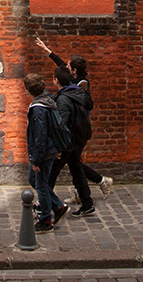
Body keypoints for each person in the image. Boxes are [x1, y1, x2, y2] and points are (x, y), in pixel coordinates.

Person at [35, 37, 113, 198]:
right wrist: (47, 50)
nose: (66, 66)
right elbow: (61, 64)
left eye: (69, 65)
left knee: (66, 165)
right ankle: (87, 193)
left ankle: (52, 201)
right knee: (74, 163)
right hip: (74, 130)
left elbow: (88, 104)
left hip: (75, 129)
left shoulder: (81, 85)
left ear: (74, 71)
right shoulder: (73, 80)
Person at [24, 72, 69, 232]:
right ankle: (58, 207)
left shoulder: (38, 108)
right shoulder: (48, 100)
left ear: (28, 89)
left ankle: (46, 220)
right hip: (51, 149)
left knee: (40, 184)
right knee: (33, 179)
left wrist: (36, 160)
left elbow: (40, 135)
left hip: (43, 152)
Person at [49, 66, 95, 217]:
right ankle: (87, 203)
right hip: (78, 138)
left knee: (51, 173)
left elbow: (61, 125)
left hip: (68, 142)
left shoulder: (63, 98)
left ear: (56, 80)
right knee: (77, 169)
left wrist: (58, 147)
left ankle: (47, 204)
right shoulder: (77, 92)